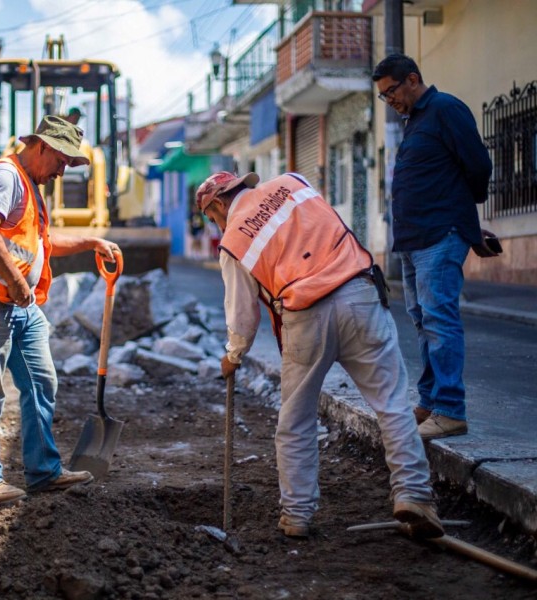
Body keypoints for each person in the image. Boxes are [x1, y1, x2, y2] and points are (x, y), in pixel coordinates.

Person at [197, 170, 443, 540]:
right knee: (392, 404)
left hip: (306, 315)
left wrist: (234, 354)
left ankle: (297, 515)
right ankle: (413, 494)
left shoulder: (233, 241)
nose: (216, 223)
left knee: (295, 420)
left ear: (217, 203)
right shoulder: (293, 183)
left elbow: (242, 314)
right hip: (360, 293)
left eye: (212, 216)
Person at [0, 115, 121, 505]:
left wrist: (91, 241)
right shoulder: (5, 176)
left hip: (19, 304)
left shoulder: (29, 186)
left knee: (42, 380)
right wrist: (14, 281)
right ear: (42, 146)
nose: (63, 171)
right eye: (62, 161)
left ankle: (43, 471)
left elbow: (43, 243)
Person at [372, 54, 493, 440]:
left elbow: (478, 165)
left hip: (440, 233)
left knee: (440, 320)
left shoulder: (444, 109)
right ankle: (429, 401)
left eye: (391, 92)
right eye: (383, 97)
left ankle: (450, 409)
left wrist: (461, 214)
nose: (389, 101)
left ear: (412, 79)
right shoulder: (415, 122)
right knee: (423, 321)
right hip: (413, 239)